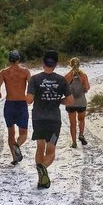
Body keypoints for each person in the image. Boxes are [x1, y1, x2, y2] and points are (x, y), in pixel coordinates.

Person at [26, 50, 73, 189]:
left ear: (43, 63)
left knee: (40, 147)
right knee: (51, 150)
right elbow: (70, 100)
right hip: (54, 120)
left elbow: (29, 100)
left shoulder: (34, 79)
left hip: (38, 119)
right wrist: (59, 101)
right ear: (56, 64)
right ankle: (43, 168)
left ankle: (41, 178)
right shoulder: (61, 80)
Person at [0, 50, 31, 165]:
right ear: (18, 59)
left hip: (9, 104)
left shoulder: (4, 72)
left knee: (11, 133)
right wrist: (30, 97)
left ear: (9, 60)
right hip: (21, 103)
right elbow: (31, 86)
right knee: (23, 133)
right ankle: (17, 145)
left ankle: (15, 158)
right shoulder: (25, 71)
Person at [64, 57, 90, 148]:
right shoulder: (83, 75)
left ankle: (74, 142)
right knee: (81, 119)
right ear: (79, 64)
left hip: (70, 103)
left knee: (72, 123)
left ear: (70, 65)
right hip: (81, 101)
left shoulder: (67, 76)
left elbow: (64, 89)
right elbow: (87, 87)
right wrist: (83, 89)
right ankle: (81, 134)